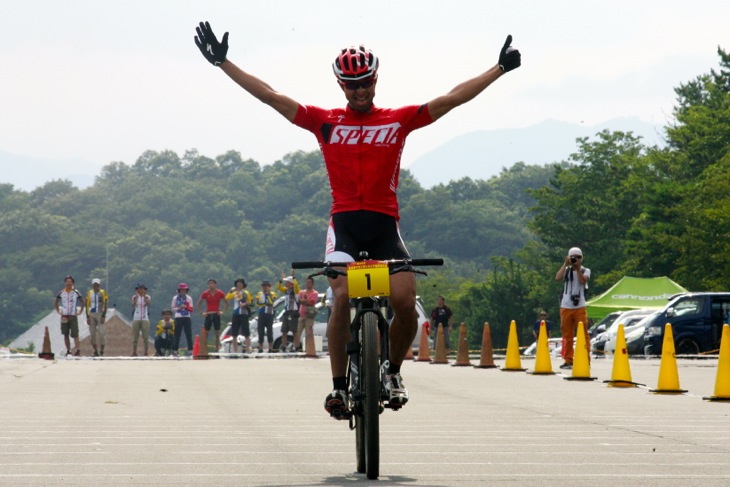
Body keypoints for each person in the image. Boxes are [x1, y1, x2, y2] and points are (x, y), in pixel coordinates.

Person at [194, 22, 521, 418]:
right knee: (343, 297)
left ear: (375, 79)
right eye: (351, 85)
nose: (360, 90)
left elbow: (451, 99)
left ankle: (394, 371)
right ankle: (337, 387)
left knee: (403, 302)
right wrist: (223, 62)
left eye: (365, 82)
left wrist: (498, 69)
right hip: (345, 227)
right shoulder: (325, 120)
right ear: (340, 86)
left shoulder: (398, 120)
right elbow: (270, 97)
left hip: (384, 226)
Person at [555, 247, 591, 369]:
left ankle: (585, 359)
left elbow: (582, 281)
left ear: (582, 258)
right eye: (573, 257)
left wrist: (577, 269)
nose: (576, 259)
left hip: (580, 306)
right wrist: (565, 264)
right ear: (569, 258)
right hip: (565, 306)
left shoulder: (586, 270)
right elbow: (557, 278)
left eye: (578, 257)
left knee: (583, 333)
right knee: (567, 334)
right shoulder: (566, 270)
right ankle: (568, 360)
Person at [54, 275, 84, 357]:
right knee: (65, 334)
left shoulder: (76, 292)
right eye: (67, 282)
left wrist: (80, 311)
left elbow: (82, 301)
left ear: (72, 283)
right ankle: (68, 350)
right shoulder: (61, 292)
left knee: (75, 334)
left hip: (73, 315)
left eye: (70, 282)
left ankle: (77, 350)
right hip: (64, 315)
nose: (69, 283)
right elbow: (56, 301)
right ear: (65, 283)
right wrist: (58, 310)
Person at [197, 278, 230, 352]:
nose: (210, 285)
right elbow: (199, 304)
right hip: (208, 314)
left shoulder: (220, 293)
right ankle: (204, 349)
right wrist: (202, 312)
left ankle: (217, 349)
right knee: (206, 333)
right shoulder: (205, 293)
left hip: (216, 314)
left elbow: (227, 303)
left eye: (212, 283)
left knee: (217, 333)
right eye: (209, 283)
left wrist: (223, 312)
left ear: (215, 284)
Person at [225, 278, 253, 353]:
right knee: (234, 334)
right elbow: (227, 298)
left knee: (246, 333)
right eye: (238, 283)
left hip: (244, 314)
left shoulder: (246, 292)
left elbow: (251, 302)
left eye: (240, 283)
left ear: (243, 285)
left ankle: (247, 350)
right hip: (236, 314)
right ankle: (235, 351)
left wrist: (245, 303)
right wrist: (231, 291)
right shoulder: (234, 293)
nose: (239, 285)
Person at [294, 277, 320, 352]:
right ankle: (296, 347)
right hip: (301, 314)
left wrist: (304, 301)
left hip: (309, 315)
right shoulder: (302, 292)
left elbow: (312, 302)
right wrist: (305, 301)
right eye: (306, 282)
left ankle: (309, 349)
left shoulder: (315, 293)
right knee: (297, 332)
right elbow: (298, 300)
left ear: (312, 284)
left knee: (308, 332)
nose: (307, 284)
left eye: (309, 282)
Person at [277, 274, 300, 352]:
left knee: (294, 331)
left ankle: (296, 347)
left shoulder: (295, 291)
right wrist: (280, 281)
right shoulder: (286, 290)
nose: (285, 283)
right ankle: (283, 346)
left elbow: (296, 286)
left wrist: (294, 278)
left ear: (291, 283)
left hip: (293, 312)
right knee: (284, 331)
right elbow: (279, 287)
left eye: (287, 282)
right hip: (287, 312)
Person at [85, 278, 108, 357]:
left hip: (100, 313)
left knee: (102, 333)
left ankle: (102, 351)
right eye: (94, 285)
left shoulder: (103, 292)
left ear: (99, 285)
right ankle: (95, 351)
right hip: (92, 313)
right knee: (92, 333)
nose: (96, 286)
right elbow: (87, 305)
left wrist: (104, 315)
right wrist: (87, 316)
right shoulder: (89, 293)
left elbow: (106, 304)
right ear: (92, 285)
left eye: (97, 285)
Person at [172, 283, 194, 356]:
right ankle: (175, 350)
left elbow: (191, 309)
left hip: (187, 316)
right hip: (178, 317)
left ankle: (190, 350)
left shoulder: (189, 298)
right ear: (179, 290)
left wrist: (185, 307)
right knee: (177, 334)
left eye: (184, 290)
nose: (183, 291)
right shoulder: (175, 298)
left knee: (188, 334)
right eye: (181, 290)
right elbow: (173, 308)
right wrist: (179, 308)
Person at [255, 280, 277, 353]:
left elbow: (271, 302)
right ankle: (260, 347)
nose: (265, 287)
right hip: (261, 314)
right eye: (264, 286)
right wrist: (264, 304)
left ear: (269, 287)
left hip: (269, 314)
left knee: (269, 331)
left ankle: (270, 348)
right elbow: (258, 303)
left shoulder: (273, 294)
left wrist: (268, 295)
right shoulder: (259, 293)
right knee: (260, 331)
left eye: (267, 286)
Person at [131, 283, 151, 357]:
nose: (141, 290)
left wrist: (145, 297)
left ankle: (146, 351)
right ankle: (134, 351)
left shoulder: (147, 297)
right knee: (135, 336)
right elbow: (133, 305)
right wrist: (136, 297)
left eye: (143, 289)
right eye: (140, 289)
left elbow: (148, 303)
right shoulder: (134, 297)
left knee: (145, 336)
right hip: (136, 318)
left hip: (144, 318)